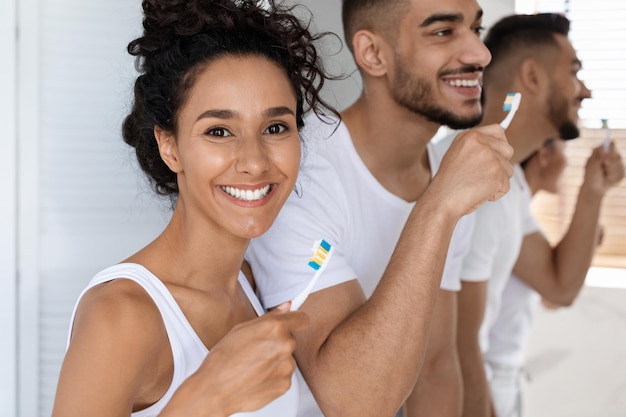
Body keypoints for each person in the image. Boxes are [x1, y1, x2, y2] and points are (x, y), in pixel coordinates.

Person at [50, 0, 340, 415]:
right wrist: (208, 395)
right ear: (170, 146)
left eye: (275, 127)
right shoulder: (121, 315)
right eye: (219, 131)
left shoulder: (249, 286)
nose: (255, 162)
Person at [245, 1, 515, 416]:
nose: (480, 55)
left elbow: (436, 366)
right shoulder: (299, 166)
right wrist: (438, 206)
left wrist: (442, 197)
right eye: (443, 32)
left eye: (475, 31)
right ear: (373, 54)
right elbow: (354, 401)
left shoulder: (448, 174)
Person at [443, 13, 626, 417]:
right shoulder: (471, 180)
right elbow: (459, 343)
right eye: (575, 72)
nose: (587, 91)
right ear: (532, 76)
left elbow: (559, 286)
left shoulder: (510, 185)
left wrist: (593, 189)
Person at [485, 137, 606, 417]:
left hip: (506, 371)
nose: (569, 163)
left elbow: (550, 298)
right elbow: (558, 292)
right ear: (543, 155)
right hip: (491, 372)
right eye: (565, 150)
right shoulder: (506, 201)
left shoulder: (523, 209)